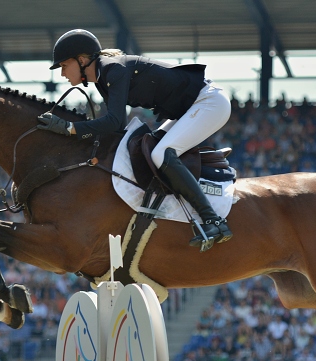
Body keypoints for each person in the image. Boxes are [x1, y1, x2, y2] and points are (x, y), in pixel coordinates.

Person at [37, 29, 232, 251]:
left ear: (81, 60)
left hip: (208, 102)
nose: (62, 73)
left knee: (161, 153)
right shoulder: (103, 77)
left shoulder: (113, 70)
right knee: (152, 151)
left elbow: (112, 122)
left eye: (64, 66)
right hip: (192, 107)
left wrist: (70, 128)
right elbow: (118, 126)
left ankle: (213, 220)